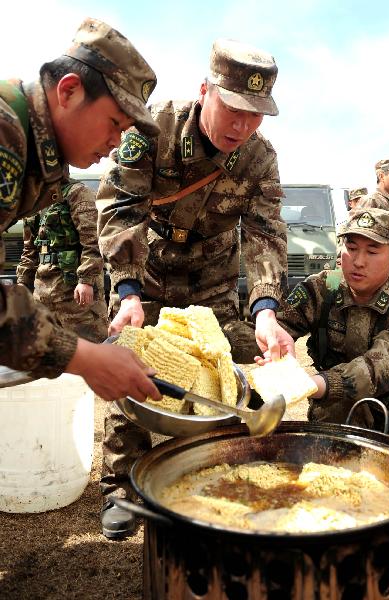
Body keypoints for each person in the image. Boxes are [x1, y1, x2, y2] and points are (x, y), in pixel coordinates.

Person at [97, 38, 292, 538]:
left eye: (256, 115)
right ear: (205, 90)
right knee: (133, 369)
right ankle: (120, 486)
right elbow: (120, 208)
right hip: (150, 268)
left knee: (215, 378)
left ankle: (200, 478)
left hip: (213, 279)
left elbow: (266, 232)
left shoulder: (259, 159)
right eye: (233, 109)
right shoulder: (152, 128)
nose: (242, 126)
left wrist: (266, 308)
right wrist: (127, 291)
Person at [0, 17, 161, 403]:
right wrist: (84, 356)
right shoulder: (5, 134)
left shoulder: (36, 158)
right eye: (113, 123)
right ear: (69, 91)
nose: (116, 143)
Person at [259, 208, 389, 441]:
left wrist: (311, 384)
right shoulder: (322, 289)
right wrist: (266, 334)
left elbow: (378, 368)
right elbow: (278, 327)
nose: (358, 262)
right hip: (336, 415)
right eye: (351, 248)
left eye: (372, 251)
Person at [16, 179, 108, 343]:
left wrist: (86, 280)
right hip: (43, 295)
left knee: (91, 350)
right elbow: (29, 249)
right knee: (50, 356)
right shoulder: (33, 202)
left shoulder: (77, 193)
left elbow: (93, 240)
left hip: (75, 295)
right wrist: (22, 284)